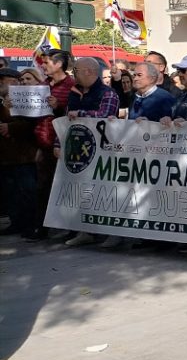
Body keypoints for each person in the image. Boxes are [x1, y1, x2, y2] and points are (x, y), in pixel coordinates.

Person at [63, 57, 121, 248]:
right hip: (79, 151)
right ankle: (85, 231)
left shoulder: (108, 94)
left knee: (105, 192)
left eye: (76, 70)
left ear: (88, 71)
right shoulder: (75, 93)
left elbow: (105, 115)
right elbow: (66, 121)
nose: (74, 74)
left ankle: (112, 232)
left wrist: (81, 114)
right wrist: (58, 144)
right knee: (83, 192)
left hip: (103, 151)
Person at [25, 50, 76, 241]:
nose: (43, 66)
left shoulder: (71, 86)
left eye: (46, 62)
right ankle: (42, 227)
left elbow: (72, 114)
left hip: (62, 144)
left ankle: (70, 229)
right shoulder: (42, 85)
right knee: (43, 187)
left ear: (58, 64)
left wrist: (59, 107)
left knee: (65, 187)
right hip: (43, 142)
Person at [0, 67, 37, 236]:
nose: (1, 83)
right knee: (11, 192)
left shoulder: (26, 98)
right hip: (6, 156)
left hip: (24, 155)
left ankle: (29, 224)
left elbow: (29, 123)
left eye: (4, 80)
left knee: (26, 191)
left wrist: (9, 125)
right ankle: (16, 222)